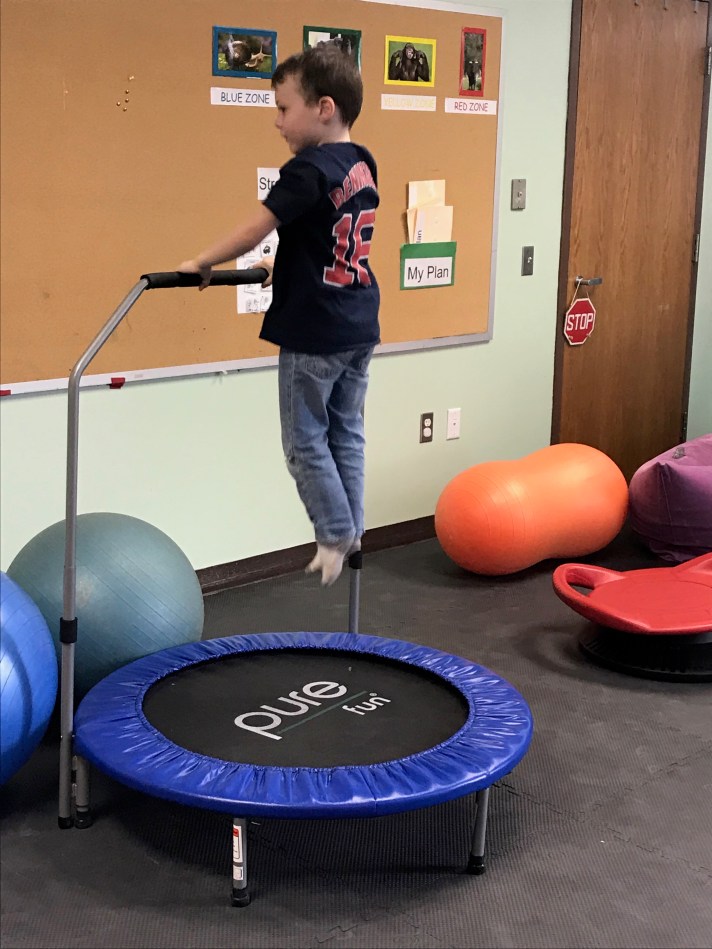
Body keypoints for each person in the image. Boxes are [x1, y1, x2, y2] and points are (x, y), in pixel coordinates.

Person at [178, 44, 380, 586]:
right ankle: (354, 529)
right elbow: (323, 236)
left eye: (284, 109)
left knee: (303, 442)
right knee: (346, 434)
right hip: (357, 322)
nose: (276, 121)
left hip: (314, 332)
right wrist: (282, 263)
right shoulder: (360, 160)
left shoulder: (306, 169)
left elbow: (260, 224)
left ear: (324, 108)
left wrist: (203, 262)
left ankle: (335, 531)